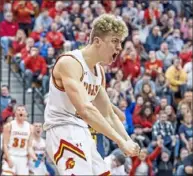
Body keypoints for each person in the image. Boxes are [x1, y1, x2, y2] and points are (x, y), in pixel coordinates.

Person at [44, 14, 140, 175]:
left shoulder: (99, 72)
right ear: (97, 41)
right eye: (115, 41)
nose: (119, 48)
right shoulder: (70, 62)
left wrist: (128, 141)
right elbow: (86, 110)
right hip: (62, 129)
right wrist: (120, 142)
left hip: (81, 131)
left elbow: (108, 114)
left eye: (120, 42)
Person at [2, 105, 37, 175]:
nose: (21, 111)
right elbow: (5, 144)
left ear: (26, 113)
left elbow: (29, 147)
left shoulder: (31, 127)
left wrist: (35, 157)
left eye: (23, 110)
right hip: (11, 155)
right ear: (15, 113)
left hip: (23, 158)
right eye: (18, 110)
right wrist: (8, 158)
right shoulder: (9, 125)